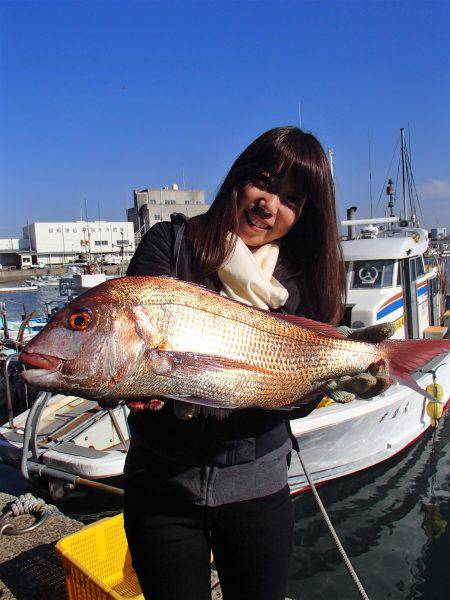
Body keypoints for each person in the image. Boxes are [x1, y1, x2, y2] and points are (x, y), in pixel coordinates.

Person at [122, 126, 392, 600]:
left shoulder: (301, 281)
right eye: (264, 181)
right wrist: (155, 386)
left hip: (258, 493)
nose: (269, 204)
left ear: (305, 214)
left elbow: (291, 406)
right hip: (162, 490)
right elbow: (131, 342)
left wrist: (326, 381)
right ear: (239, 177)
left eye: (291, 198)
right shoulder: (171, 244)